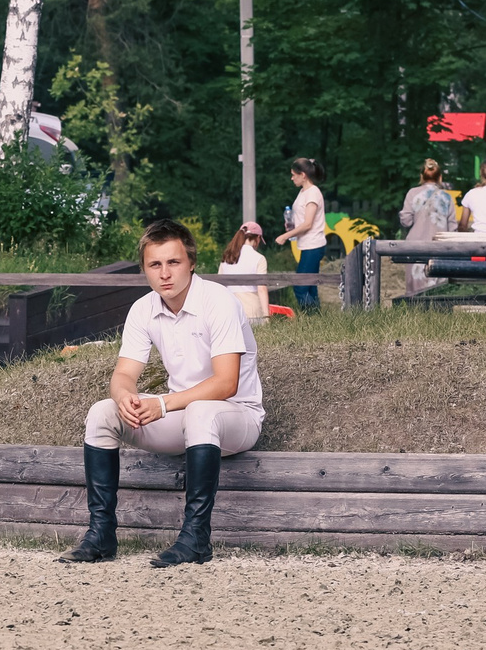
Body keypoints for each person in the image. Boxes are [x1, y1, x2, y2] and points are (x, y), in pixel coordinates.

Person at [62, 219, 264, 569]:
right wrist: (125, 397)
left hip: (236, 416)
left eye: (174, 262)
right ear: (144, 270)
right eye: (155, 264)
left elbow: (225, 383)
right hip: (184, 417)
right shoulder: (143, 309)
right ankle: (101, 535)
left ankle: (196, 539)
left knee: (202, 411)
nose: (165, 273)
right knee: (102, 413)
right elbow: (124, 374)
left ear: (192, 262)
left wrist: (161, 404)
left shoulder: (219, 301)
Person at [274, 157, 327, 312]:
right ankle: (316, 319)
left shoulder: (312, 193)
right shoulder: (303, 192)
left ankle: (311, 316)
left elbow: (308, 223)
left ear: (303, 175)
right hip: (308, 245)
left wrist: (285, 236)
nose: (292, 178)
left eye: (293, 174)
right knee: (310, 285)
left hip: (313, 245)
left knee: (300, 286)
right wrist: (291, 224)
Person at [399, 159, 456, 300]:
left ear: (421, 176)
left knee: (415, 290)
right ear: (440, 177)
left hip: (415, 247)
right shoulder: (446, 197)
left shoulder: (412, 193)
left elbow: (406, 221)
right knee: (438, 289)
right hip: (439, 247)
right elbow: (453, 228)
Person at [217, 221, 270, 323]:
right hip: (253, 312)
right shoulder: (259, 258)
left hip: (230, 312)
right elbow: (262, 289)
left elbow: (220, 287)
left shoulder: (227, 258)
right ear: (258, 238)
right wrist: (266, 317)